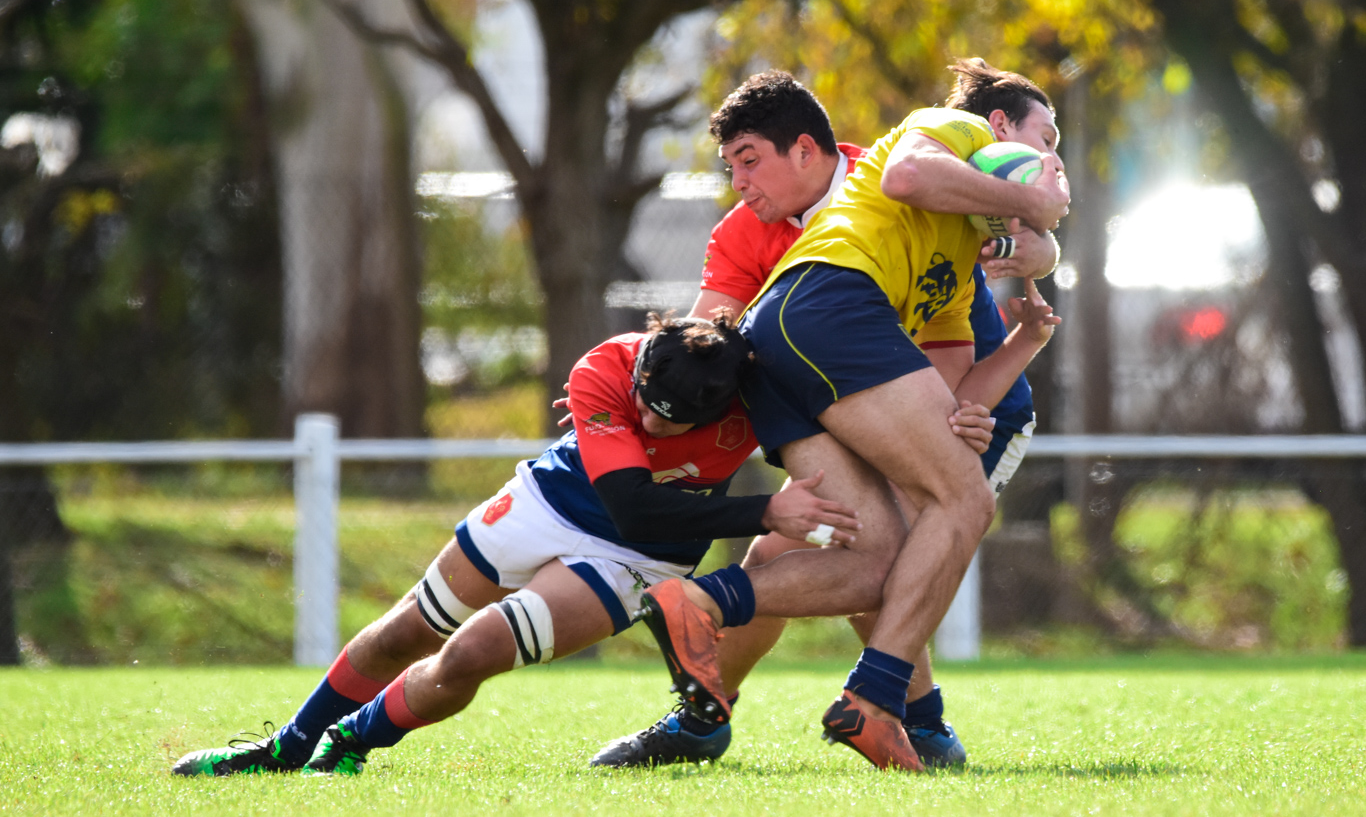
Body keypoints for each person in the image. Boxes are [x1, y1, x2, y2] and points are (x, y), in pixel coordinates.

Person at [591, 71, 1059, 770]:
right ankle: (887, 706)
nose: (740, 182)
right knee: (957, 503)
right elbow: (908, 176)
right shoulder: (944, 133)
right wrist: (1039, 201)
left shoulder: (951, 251)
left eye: (750, 161)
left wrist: (1008, 359)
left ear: (807, 150)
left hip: (810, 351)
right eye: (1041, 142)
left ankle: (703, 612)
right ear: (997, 130)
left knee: (866, 556)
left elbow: (949, 375)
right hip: (819, 326)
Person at [169, 314, 861, 776]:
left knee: (470, 652)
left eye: (667, 421)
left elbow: (649, 520)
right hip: (549, 501)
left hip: (639, 553)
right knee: (403, 631)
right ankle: (282, 749)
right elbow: (628, 496)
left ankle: (349, 742)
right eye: (644, 400)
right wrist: (768, 508)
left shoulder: (756, 401)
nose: (646, 418)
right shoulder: (607, 364)